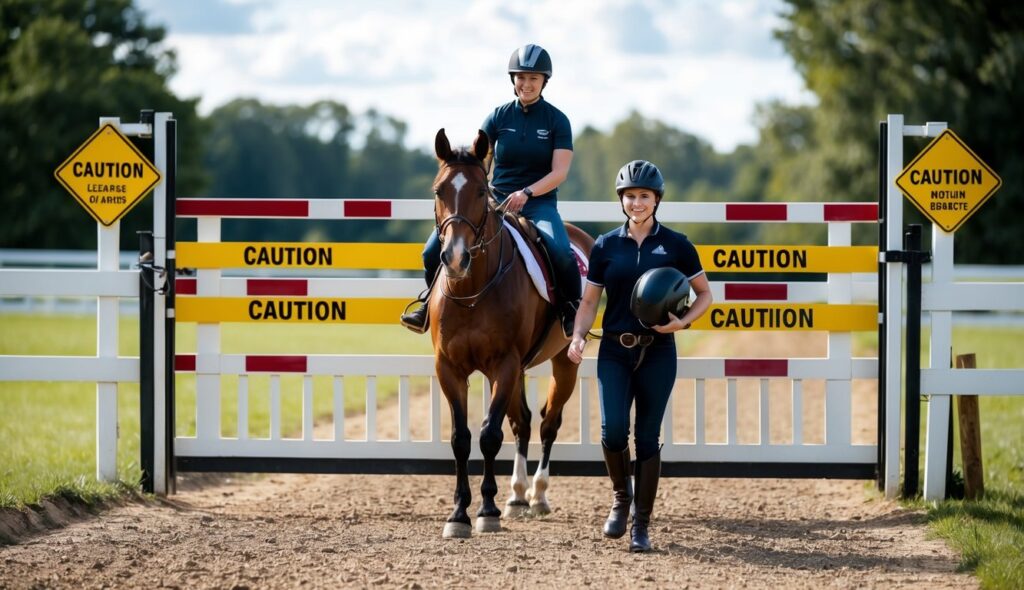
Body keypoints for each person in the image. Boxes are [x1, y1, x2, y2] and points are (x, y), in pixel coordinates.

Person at [567, 160, 713, 553]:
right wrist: (579, 336)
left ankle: (641, 526)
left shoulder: (677, 244)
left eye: (643, 196)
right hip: (615, 349)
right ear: (621, 200)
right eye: (629, 196)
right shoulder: (605, 246)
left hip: (658, 352)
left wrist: (680, 325)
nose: (636, 202)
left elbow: (705, 295)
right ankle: (620, 498)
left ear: (656, 199)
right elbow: (590, 300)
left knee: (647, 438)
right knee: (613, 430)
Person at [400, 43, 580, 338]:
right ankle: (425, 304)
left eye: (534, 78)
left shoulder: (557, 120)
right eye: (521, 77)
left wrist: (528, 193)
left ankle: (570, 310)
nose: (526, 84)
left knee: (560, 250)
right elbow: (477, 157)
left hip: (538, 203)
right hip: (495, 200)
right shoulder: (498, 118)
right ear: (513, 80)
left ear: (544, 81)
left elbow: (559, 171)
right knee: (432, 249)